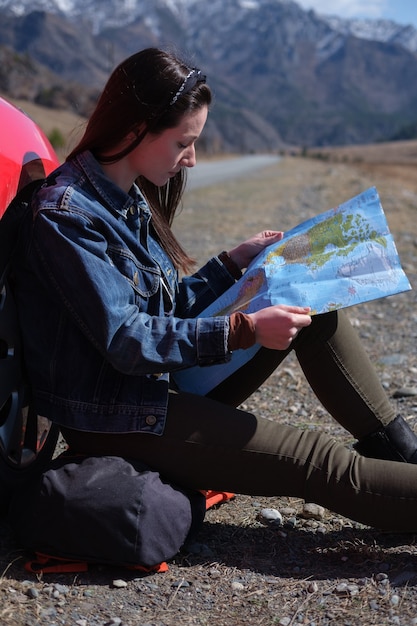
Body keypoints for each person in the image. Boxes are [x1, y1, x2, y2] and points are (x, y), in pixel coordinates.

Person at [12, 47, 417, 533]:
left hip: (157, 384)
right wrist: (243, 330)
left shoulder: (123, 196)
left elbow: (166, 309)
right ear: (137, 127)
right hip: (118, 416)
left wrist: (230, 266)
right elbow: (126, 340)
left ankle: (404, 456)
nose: (193, 159)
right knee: (315, 459)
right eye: (185, 142)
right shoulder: (67, 216)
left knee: (315, 312)